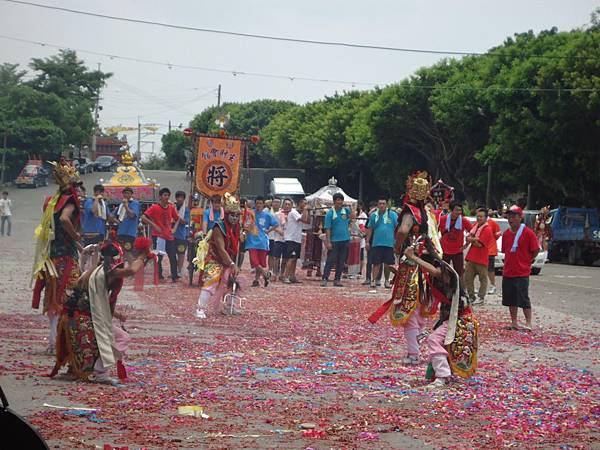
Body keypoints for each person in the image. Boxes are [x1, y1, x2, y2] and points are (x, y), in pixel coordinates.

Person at [50, 240, 152, 383]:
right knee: (123, 338)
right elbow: (131, 271)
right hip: (84, 320)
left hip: (70, 317)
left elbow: (94, 300)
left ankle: (74, 369)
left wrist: (117, 315)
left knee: (113, 334)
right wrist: (143, 255)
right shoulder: (109, 271)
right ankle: (101, 372)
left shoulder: (93, 271)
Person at [370, 171, 441, 365]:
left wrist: (397, 246)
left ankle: (413, 353)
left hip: (411, 266)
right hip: (426, 265)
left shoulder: (410, 212)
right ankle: (416, 349)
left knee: (408, 309)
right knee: (419, 309)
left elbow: (402, 230)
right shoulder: (428, 213)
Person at [402, 242, 479, 388]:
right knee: (436, 339)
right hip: (451, 319)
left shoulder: (446, 272)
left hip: (461, 319)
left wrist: (414, 257)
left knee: (433, 339)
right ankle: (443, 373)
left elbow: (437, 272)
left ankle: (443, 376)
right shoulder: (435, 279)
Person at [31, 159, 83, 355]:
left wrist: (79, 245)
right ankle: (59, 342)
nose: (79, 190)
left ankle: (53, 341)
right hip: (66, 259)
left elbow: (53, 225)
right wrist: (76, 235)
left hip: (51, 257)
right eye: (77, 187)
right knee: (67, 298)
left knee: (52, 297)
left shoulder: (51, 201)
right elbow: (64, 220)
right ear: (71, 187)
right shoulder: (69, 201)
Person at [194, 193, 241, 319]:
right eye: (232, 215)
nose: (235, 218)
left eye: (237, 216)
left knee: (231, 282)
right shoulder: (218, 227)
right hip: (215, 259)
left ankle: (228, 307)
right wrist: (232, 264)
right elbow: (221, 249)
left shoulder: (236, 227)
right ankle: (200, 308)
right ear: (226, 214)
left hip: (228, 260)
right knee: (212, 281)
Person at [502, 205, 540, 331]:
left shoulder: (528, 233)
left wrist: (527, 261)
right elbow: (504, 250)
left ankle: (528, 323)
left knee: (523, 298)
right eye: (509, 216)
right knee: (510, 299)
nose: (511, 219)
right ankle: (514, 323)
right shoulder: (506, 234)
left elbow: (535, 250)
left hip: (522, 272)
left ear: (520, 217)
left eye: (514, 216)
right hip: (508, 271)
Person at [141, 187, 180, 282]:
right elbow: (143, 217)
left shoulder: (171, 207)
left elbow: (177, 218)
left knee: (173, 256)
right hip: (158, 236)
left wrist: (174, 228)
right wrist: (154, 225)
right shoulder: (154, 207)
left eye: (168, 195)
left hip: (169, 236)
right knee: (159, 257)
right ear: (160, 197)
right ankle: (159, 275)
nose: (166, 197)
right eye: (165, 195)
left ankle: (174, 275)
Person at [245, 196, 279, 287]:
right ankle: (265, 274)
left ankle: (256, 280)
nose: (258, 205)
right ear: (255, 204)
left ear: (263, 204)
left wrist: (268, 231)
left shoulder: (267, 215)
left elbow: (276, 224)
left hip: (262, 242)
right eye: (257, 203)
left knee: (260, 263)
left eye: (260, 203)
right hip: (251, 241)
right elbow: (245, 224)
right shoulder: (250, 214)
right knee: (254, 261)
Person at [365, 197, 398, 290]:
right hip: (376, 243)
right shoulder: (373, 215)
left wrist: (397, 242)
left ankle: (387, 281)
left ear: (386, 205)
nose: (382, 205)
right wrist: (367, 241)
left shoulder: (393, 215)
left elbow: (397, 228)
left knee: (388, 264)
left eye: (383, 204)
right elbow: (370, 229)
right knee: (376, 263)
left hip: (389, 243)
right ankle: (373, 280)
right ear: (377, 205)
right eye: (380, 204)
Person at [321, 193, 353, 287]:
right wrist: (328, 241)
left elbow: (353, 217)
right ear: (334, 201)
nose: (339, 202)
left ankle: (337, 279)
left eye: (341, 200)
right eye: (337, 200)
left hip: (345, 239)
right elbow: (327, 228)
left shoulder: (345, 210)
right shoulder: (330, 213)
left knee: (341, 260)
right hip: (334, 240)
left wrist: (352, 208)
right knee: (331, 260)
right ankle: (325, 278)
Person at [464, 208, 494, 306]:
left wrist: (471, 239)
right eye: (478, 216)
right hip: (472, 257)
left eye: (481, 216)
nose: (479, 218)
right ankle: (471, 296)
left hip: (481, 258)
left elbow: (479, 244)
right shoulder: (475, 227)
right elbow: (468, 238)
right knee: (468, 278)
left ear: (486, 218)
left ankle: (481, 297)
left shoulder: (487, 229)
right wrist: (474, 239)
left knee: (483, 279)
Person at [438, 201, 472, 279]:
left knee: (459, 272)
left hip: (458, 251)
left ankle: (461, 289)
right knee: (443, 271)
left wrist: (466, 244)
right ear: (450, 210)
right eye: (456, 210)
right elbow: (434, 231)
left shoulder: (464, 220)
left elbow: (473, 231)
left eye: (460, 210)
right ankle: (444, 289)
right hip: (444, 251)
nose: (458, 212)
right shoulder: (442, 219)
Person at [282, 198, 310, 283]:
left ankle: (292, 276)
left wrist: (307, 211)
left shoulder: (299, 213)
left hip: (297, 239)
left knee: (295, 258)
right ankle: (285, 276)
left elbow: (307, 221)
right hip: (291, 239)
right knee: (290, 258)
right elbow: (303, 220)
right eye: (304, 203)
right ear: (300, 203)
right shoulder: (293, 212)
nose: (305, 205)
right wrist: (305, 209)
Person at [80, 184, 108, 270]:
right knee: (87, 252)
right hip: (90, 232)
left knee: (97, 252)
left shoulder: (103, 204)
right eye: (100, 192)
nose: (102, 194)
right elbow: (93, 210)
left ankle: (93, 269)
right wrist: (96, 200)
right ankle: (82, 269)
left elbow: (108, 216)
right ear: (96, 192)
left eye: (103, 193)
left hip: (100, 232)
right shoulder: (89, 201)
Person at [116, 187, 140, 263]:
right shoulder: (121, 204)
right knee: (121, 252)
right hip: (121, 232)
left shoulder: (135, 203)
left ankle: (132, 271)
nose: (126, 195)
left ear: (131, 194)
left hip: (129, 232)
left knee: (128, 252)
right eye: (125, 193)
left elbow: (132, 215)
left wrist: (126, 205)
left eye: (128, 193)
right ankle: (123, 270)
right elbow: (117, 217)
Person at [173, 191, 190, 277]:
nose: (180, 199)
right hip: (171, 234)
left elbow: (184, 221)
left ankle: (179, 271)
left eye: (181, 197)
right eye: (178, 197)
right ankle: (174, 271)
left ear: (184, 199)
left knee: (181, 253)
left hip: (182, 235)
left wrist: (176, 216)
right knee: (172, 253)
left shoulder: (186, 210)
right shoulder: (172, 207)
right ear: (176, 198)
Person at [486, 212, 501, 294]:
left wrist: (491, 241)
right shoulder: (478, 223)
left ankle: (493, 286)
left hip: (490, 251)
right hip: (481, 251)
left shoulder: (493, 223)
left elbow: (498, 234)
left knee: (490, 269)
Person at [267, 197, 283, 278]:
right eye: (275, 202)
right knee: (270, 254)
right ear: (272, 203)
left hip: (278, 237)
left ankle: (276, 270)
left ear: (280, 204)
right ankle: (270, 270)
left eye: (278, 202)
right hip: (269, 236)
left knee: (276, 255)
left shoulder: (282, 213)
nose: (276, 204)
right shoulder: (268, 212)